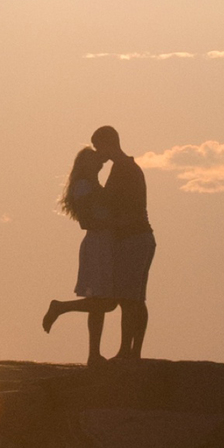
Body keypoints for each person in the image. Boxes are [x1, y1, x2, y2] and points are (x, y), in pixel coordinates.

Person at [40, 125, 156, 366]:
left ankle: (129, 352)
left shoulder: (124, 169)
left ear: (107, 142)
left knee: (130, 298)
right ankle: (123, 352)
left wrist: (113, 220)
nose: (98, 154)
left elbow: (124, 207)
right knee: (121, 299)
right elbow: (91, 215)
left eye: (98, 147)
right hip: (115, 241)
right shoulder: (110, 174)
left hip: (133, 238)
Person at [41, 144, 117, 362]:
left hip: (103, 242)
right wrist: (113, 223)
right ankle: (61, 307)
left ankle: (93, 353)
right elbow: (86, 221)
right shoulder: (83, 187)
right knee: (106, 302)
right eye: (96, 160)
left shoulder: (91, 184)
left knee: (99, 303)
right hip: (98, 243)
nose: (100, 164)